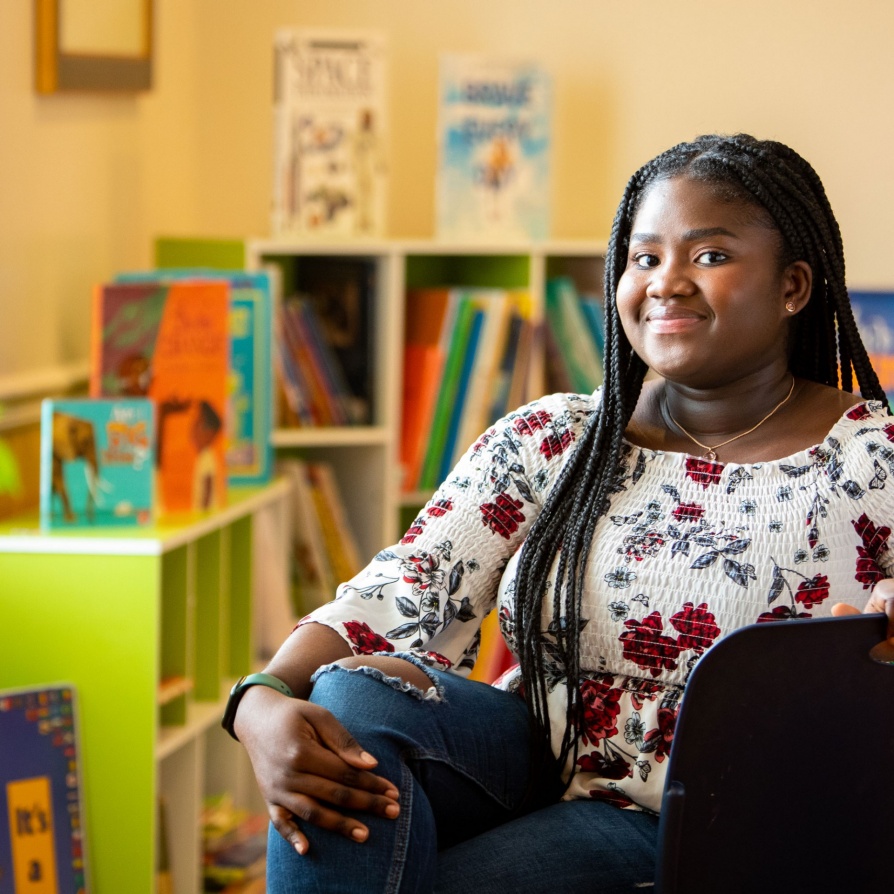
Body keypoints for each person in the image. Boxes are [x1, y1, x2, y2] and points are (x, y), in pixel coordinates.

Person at [229, 134, 894, 893]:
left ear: (794, 286)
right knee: (343, 704)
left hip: (735, 811)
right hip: (539, 760)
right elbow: (401, 591)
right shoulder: (556, 438)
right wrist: (262, 700)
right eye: (645, 259)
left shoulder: (875, 462)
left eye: (709, 256)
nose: (666, 282)